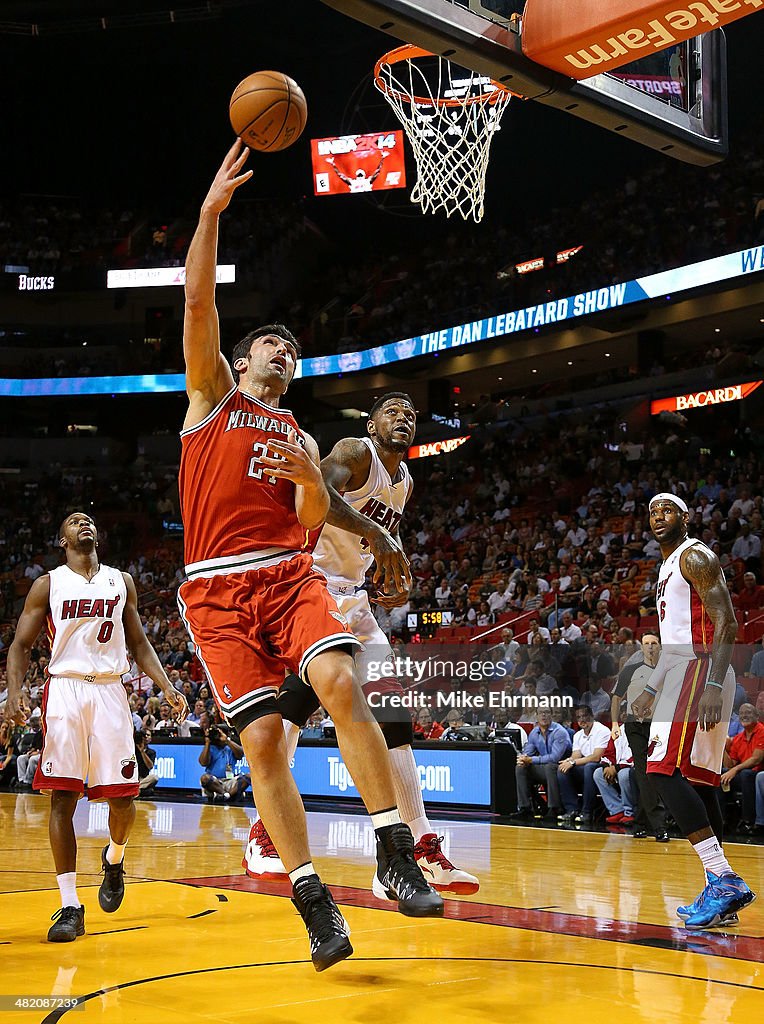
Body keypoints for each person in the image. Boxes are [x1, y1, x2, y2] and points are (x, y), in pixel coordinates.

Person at [179, 142, 441, 971]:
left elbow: (310, 518)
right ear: (243, 359)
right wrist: (210, 214)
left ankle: (394, 849)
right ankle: (310, 896)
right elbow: (195, 305)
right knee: (261, 745)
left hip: (288, 574)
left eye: (291, 351)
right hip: (217, 589)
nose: (282, 356)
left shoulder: (297, 431)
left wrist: (309, 487)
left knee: (339, 681)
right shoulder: (210, 399)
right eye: (270, 346)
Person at [245, 392, 477, 894]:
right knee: (292, 715)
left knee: (395, 718)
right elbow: (317, 503)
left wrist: (386, 572)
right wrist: (376, 534)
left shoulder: (405, 482)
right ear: (372, 424)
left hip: (355, 602)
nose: (403, 419)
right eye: (392, 411)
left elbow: (368, 546)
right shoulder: (355, 452)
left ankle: (416, 850)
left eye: (411, 414)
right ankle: (263, 832)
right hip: (313, 589)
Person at [3, 512, 188, 942]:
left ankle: (115, 857)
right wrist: (15, 693)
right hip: (65, 689)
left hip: (109, 691)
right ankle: (70, 905)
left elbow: (139, 642)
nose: (84, 523)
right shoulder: (48, 584)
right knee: (62, 798)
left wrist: (167, 686)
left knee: (123, 802)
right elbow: (21, 645)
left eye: (88, 519)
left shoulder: (121, 581)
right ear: (61, 539)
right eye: (74, 521)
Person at [631, 493, 755, 930]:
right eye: (652, 512)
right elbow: (673, 643)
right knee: (700, 783)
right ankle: (718, 892)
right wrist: (650, 688)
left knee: (660, 771)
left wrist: (715, 682)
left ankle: (722, 877)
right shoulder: (666, 568)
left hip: (702, 670)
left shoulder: (695, 555)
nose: (658, 517)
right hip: (687, 668)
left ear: (686, 517)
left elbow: (728, 621)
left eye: (667, 510)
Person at [610, 633, 668, 841]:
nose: (650, 647)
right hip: (635, 726)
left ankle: (641, 823)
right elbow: (617, 698)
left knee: (655, 773)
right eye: (646, 644)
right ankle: (659, 826)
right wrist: (615, 724)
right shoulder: (631, 670)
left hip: (659, 726)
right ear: (641, 648)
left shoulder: (667, 672)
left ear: (660, 646)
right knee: (644, 772)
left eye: (654, 643)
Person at [511, 708, 571, 820]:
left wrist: (531, 760)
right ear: (536, 716)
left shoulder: (560, 732)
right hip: (544, 767)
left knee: (550, 767)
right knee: (520, 768)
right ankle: (525, 808)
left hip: (563, 767)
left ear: (552, 715)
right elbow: (528, 752)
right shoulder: (534, 732)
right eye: (541, 713)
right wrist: (523, 759)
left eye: (547, 712)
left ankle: (554, 808)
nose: (544, 715)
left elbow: (554, 757)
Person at [556, 705, 610, 824]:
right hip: (585, 766)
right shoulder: (578, 735)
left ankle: (587, 812)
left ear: (592, 716)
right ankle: (572, 809)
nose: (582, 720)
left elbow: (596, 757)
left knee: (589, 767)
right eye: (578, 717)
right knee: (562, 769)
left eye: (584, 716)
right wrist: (567, 761)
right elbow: (576, 755)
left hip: (602, 767)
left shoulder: (602, 730)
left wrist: (572, 762)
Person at [721, 704, 764, 833]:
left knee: (746, 774)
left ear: (757, 716)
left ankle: (748, 821)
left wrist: (734, 770)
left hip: (758, 773)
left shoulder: (762, 731)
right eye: (742, 713)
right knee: (721, 774)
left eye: (748, 712)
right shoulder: (739, 738)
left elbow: (757, 759)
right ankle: (722, 819)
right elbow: (730, 765)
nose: (744, 715)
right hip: (744, 774)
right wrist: (722, 747)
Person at [199, 723, 250, 802]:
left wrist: (227, 740)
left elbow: (240, 754)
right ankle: (226, 795)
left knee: (248, 777)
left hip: (230, 781)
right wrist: (207, 742)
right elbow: (203, 763)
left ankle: (226, 795)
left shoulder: (231, 746)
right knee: (204, 778)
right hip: (215, 781)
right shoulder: (210, 747)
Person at [134, 729, 159, 797]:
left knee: (154, 777)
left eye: (148, 735)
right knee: (149, 791)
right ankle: (138, 790)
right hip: (133, 778)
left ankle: (135, 790)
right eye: (145, 736)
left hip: (143, 779)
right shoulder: (133, 749)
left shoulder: (151, 752)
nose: (146, 737)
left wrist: (142, 751)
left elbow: (150, 766)